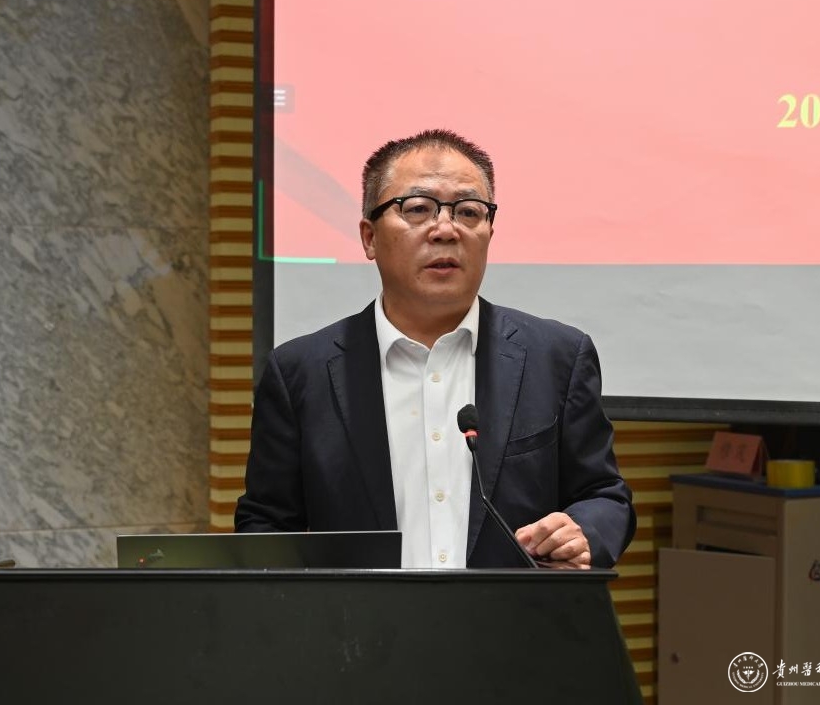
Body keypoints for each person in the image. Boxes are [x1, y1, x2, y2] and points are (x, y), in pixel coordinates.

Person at [235, 129, 635, 568]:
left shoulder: (557, 357)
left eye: (469, 212)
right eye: (417, 208)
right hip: (362, 613)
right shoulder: (300, 373)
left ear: (489, 231)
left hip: (517, 611)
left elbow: (604, 495)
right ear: (369, 237)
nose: (446, 229)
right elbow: (266, 524)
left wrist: (585, 531)